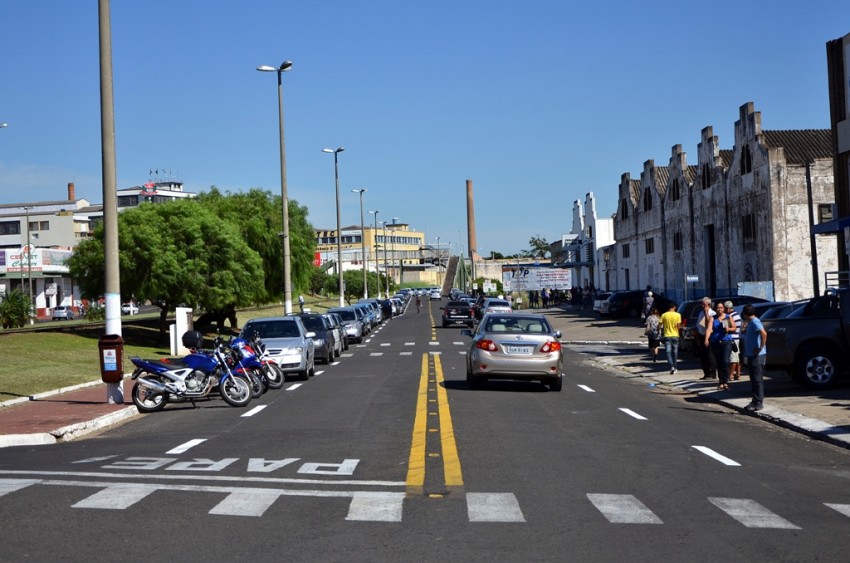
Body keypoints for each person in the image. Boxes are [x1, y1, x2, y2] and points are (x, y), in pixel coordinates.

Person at [741, 303, 767, 411]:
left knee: (757, 380)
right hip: (752, 354)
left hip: (757, 355)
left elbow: (764, 333)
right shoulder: (750, 322)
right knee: (753, 379)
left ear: (745, 314)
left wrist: (761, 347)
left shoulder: (755, 321)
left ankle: (758, 402)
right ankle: (755, 400)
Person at [705, 302, 735, 390]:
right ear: (715, 309)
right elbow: (709, 329)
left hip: (726, 342)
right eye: (718, 308)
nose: (719, 309)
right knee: (719, 362)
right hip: (716, 342)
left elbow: (734, 328)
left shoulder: (727, 317)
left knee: (725, 361)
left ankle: (725, 381)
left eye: (721, 308)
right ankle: (721, 382)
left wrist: (728, 329)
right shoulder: (712, 318)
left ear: (724, 309)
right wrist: (706, 339)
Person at [695, 297, 717, 380]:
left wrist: (707, 312)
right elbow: (698, 326)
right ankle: (706, 373)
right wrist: (697, 337)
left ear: (709, 304)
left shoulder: (712, 313)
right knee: (703, 356)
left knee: (710, 356)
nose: (703, 306)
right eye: (702, 304)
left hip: (709, 336)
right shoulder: (701, 313)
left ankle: (712, 373)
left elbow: (708, 325)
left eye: (705, 304)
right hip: (701, 335)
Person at [660, 302, 682, 374]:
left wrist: (661, 332)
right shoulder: (678, 315)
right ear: (674, 307)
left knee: (668, 352)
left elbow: (660, 325)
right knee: (675, 352)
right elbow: (678, 326)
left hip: (667, 335)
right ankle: (675, 367)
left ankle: (671, 366)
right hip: (675, 335)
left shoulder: (664, 315)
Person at [724, 300, 742, 381]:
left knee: (733, 359)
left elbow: (725, 328)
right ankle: (737, 374)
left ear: (727, 308)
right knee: (736, 358)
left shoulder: (728, 316)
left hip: (732, 339)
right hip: (736, 338)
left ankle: (730, 375)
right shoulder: (736, 315)